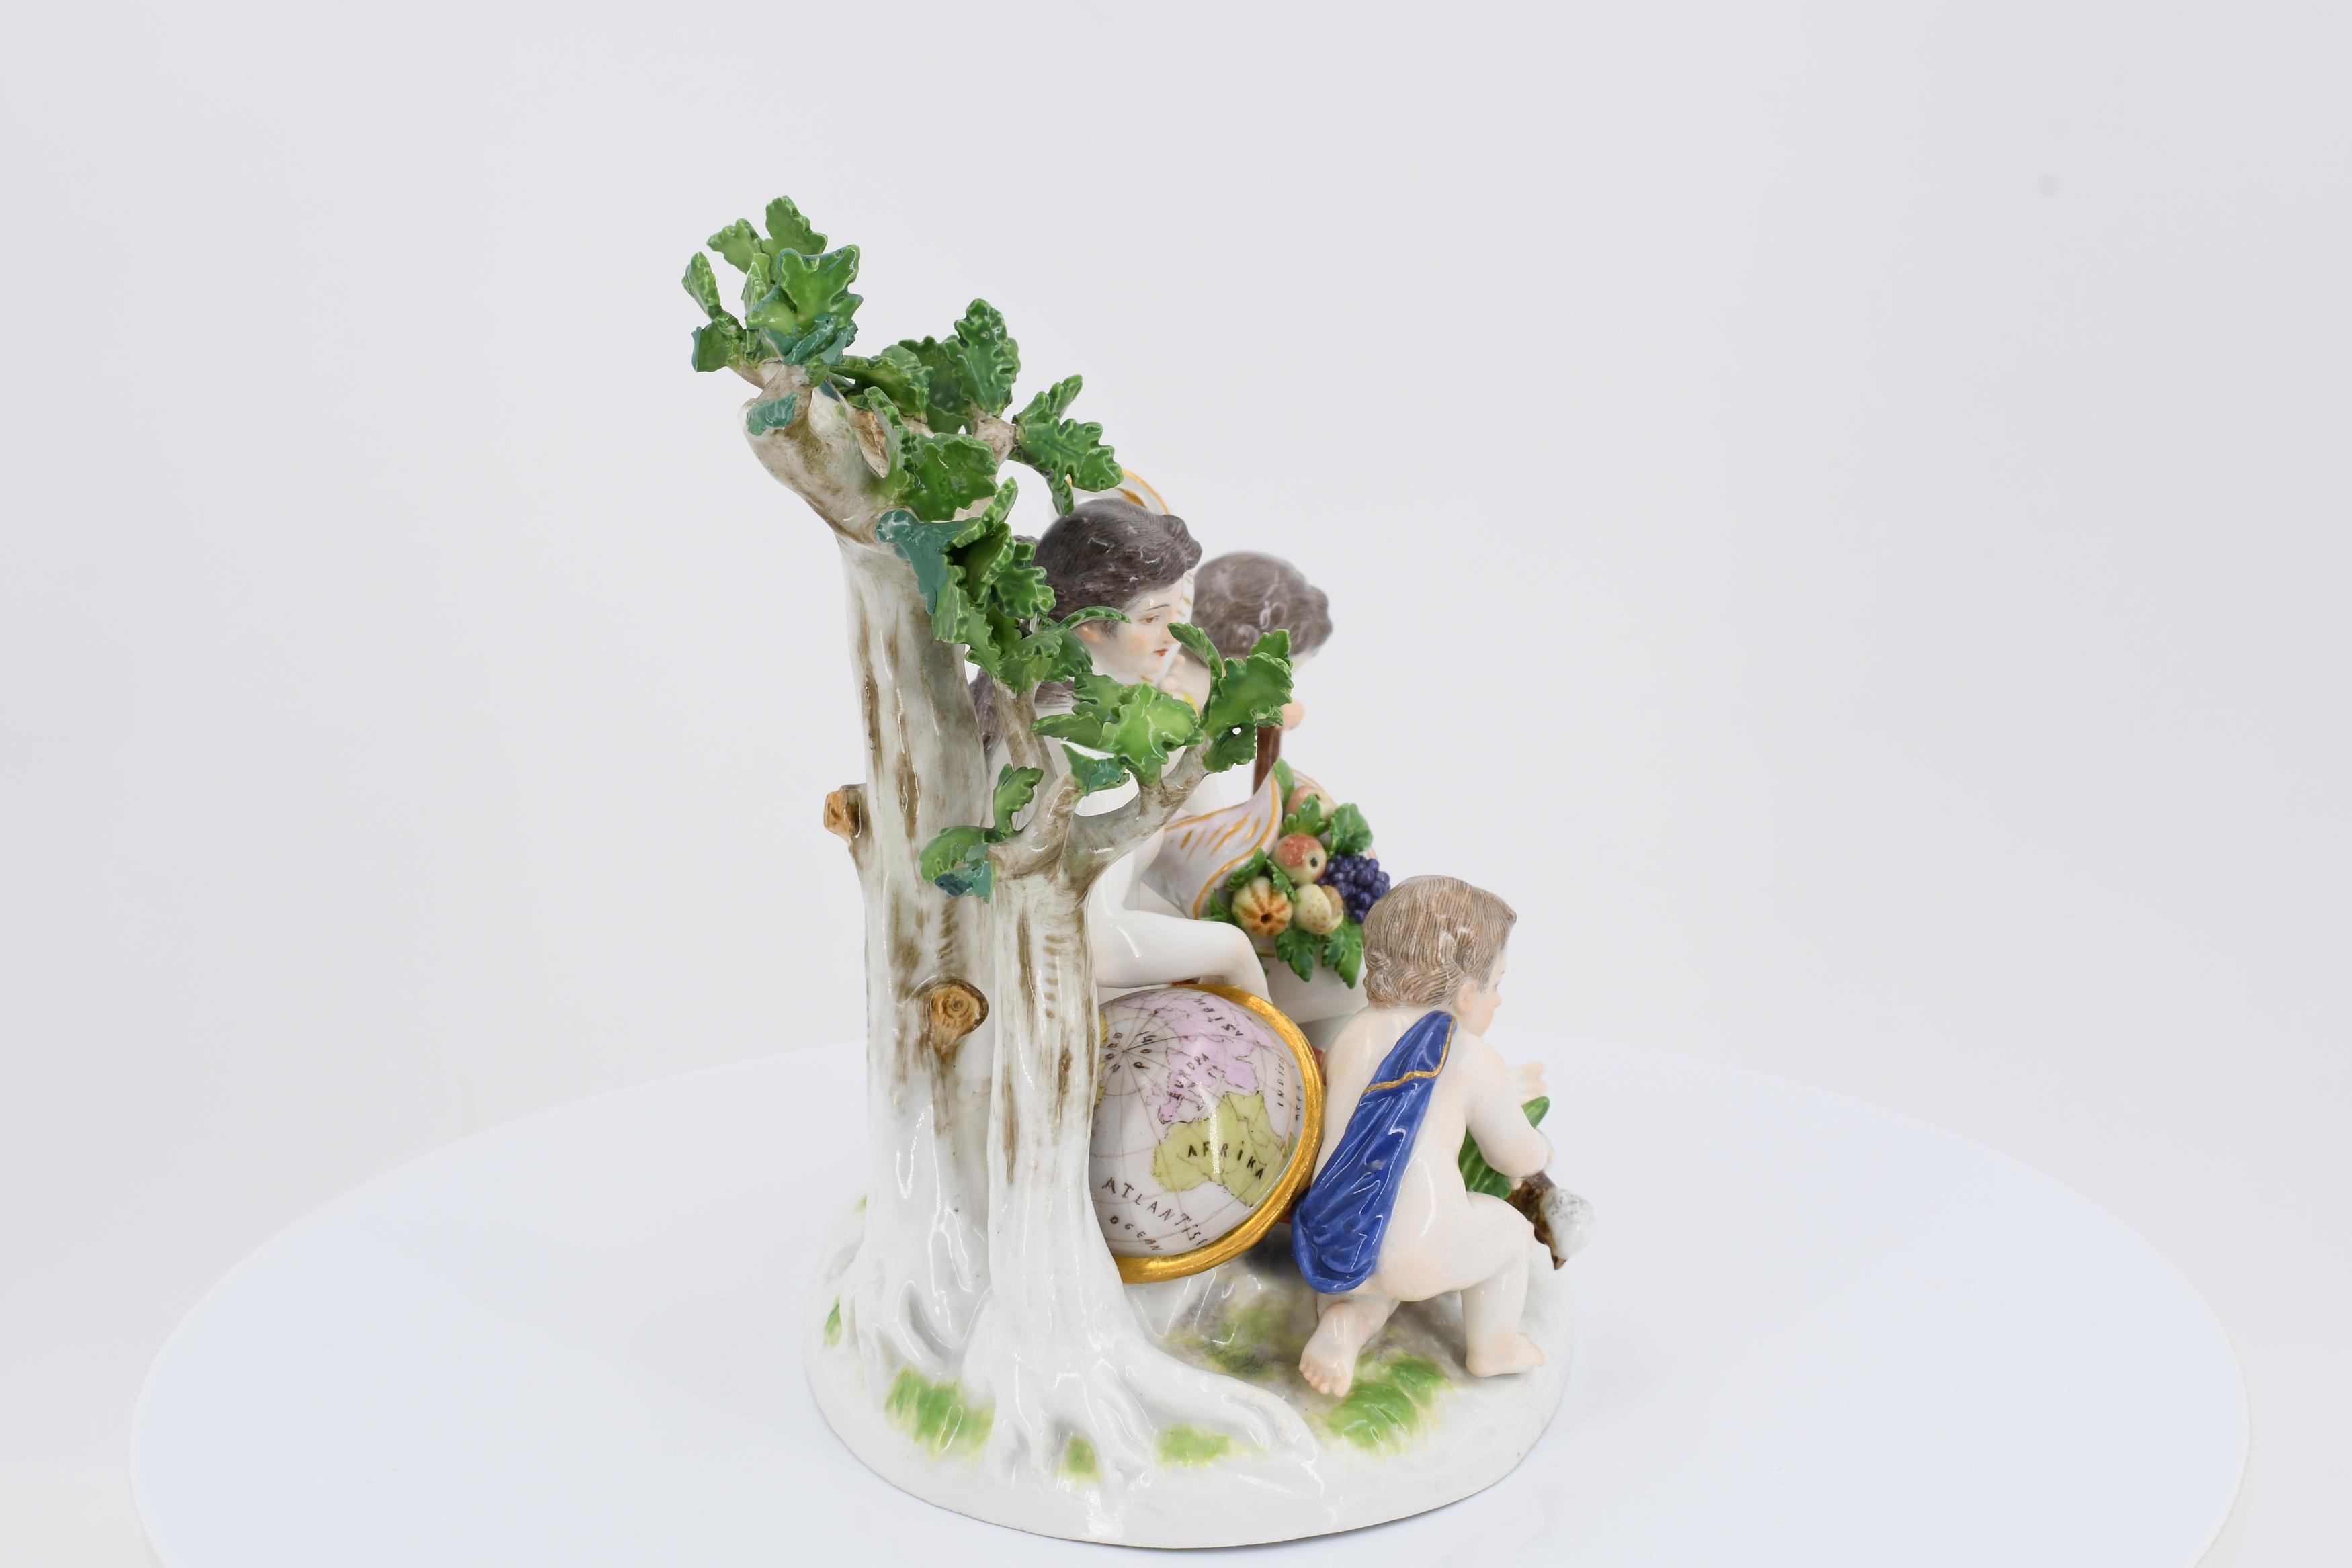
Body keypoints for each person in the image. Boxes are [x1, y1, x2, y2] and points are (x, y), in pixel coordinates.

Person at [979, 497, 1269, 1000]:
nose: (1173, 636)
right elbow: (1101, 943)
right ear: (1091, 623)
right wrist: (1232, 951)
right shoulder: (1084, 758)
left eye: (1175, 613)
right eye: (1152, 619)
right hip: (1068, 1005)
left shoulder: (1078, 718)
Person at [1292, 875, 1550, 1397]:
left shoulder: (1353, 1034)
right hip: (1423, 1248)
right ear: (1465, 993)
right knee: (1508, 1232)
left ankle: (1345, 1324)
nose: (1499, 1000)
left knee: (1373, 1283)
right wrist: (1539, 1150)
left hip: (1339, 1241)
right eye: (1496, 984)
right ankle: (1495, 1346)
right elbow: (1514, 1156)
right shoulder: (1471, 1055)